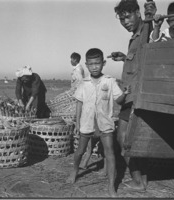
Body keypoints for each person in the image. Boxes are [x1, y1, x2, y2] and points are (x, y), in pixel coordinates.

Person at [66, 48, 130, 197]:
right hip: (86, 123)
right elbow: (79, 103)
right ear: (86, 65)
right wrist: (77, 123)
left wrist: (125, 95)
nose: (94, 66)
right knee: (80, 151)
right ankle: (74, 171)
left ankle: (111, 186)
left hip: (105, 124)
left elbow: (119, 100)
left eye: (97, 63)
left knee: (110, 153)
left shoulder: (110, 81)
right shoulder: (84, 83)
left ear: (103, 63)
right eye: (91, 64)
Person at [110, 0, 148, 191]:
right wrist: (124, 58)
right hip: (129, 96)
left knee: (123, 138)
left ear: (138, 13)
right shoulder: (135, 37)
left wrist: (150, 13)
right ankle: (141, 177)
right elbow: (140, 61)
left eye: (128, 16)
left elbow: (150, 16)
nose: (125, 21)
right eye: (122, 19)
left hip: (136, 96)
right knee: (125, 137)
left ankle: (137, 181)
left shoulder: (146, 30)